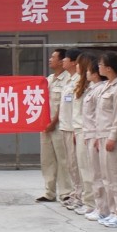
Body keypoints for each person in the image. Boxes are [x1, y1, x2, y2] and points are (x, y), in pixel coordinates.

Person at [93, 52, 117, 227]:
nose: (98, 67)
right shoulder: (106, 86)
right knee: (106, 176)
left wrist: (113, 136)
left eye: (101, 64)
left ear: (108, 68)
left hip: (111, 137)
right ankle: (112, 210)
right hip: (102, 134)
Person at [37, 48, 68, 203]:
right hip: (45, 126)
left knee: (63, 159)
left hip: (59, 126)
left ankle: (66, 192)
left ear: (62, 61)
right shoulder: (48, 79)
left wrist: (53, 122)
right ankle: (49, 192)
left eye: (53, 57)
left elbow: (63, 105)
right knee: (47, 159)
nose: (50, 59)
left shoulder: (68, 80)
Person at [71, 52, 98, 216]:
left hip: (87, 130)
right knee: (82, 168)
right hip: (79, 129)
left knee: (88, 169)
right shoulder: (80, 84)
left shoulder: (91, 87)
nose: (76, 66)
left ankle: (91, 203)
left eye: (78, 63)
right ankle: (87, 201)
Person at [81, 62, 106, 220]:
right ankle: (99, 206)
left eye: (89, 71)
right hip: (89, 134)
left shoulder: (100, 90)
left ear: (96, 74)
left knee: (99, 174)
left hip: (96, 135)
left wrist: (97, 135)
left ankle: (102, 208)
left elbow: (99, 116)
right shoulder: (92, 89)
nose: (87, 73)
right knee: (94, 173)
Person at [58, 49, 82, 210]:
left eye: (65, 59)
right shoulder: (68, 79)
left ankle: (81, 196)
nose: (63, 61)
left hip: (73, 127)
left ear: (73, 62)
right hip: (65, 126)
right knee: (71, 164)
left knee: (76, 164)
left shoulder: (79, 81)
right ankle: (75, 193)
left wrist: (74, 128)